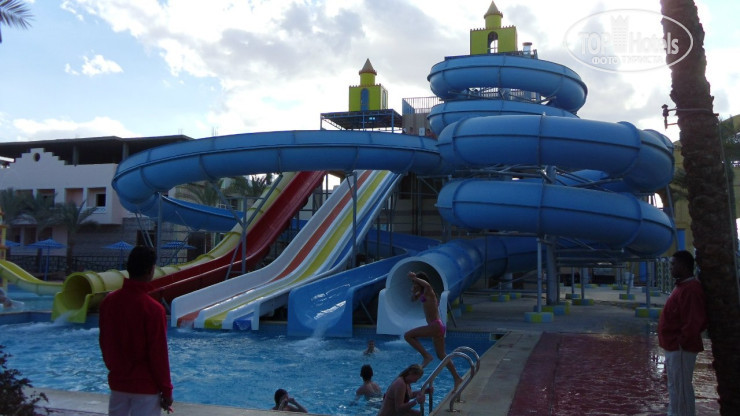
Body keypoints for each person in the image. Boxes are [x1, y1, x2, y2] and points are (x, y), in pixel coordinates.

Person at [99, 246, 174, 416]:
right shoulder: (153, 309)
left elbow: (104, 343)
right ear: (150, 270)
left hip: (118, 384)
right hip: (146, 388)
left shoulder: (108, 302)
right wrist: (166, 390)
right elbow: (158, 355)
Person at [658, 250, 707, 416]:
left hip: (680, 348)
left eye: (673, 264)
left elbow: (693, 321)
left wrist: (681, 342)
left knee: (681, 388)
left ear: (684, 266)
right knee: (675, 386)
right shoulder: (682, 287)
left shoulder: (690, 289)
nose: (670, 268)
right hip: (675, 346)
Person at [403, 271, 462, 390]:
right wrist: (414, 291)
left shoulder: (428, 290)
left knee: (408, 336)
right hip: (437, 326)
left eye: (416, 282)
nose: (414, 284)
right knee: (441, 355)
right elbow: (412, 300)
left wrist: (415, 278)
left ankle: (426, 356)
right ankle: (457, 377)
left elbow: (427, 284)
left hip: (435, 326)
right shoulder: (422, 293)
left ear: (420, 281)